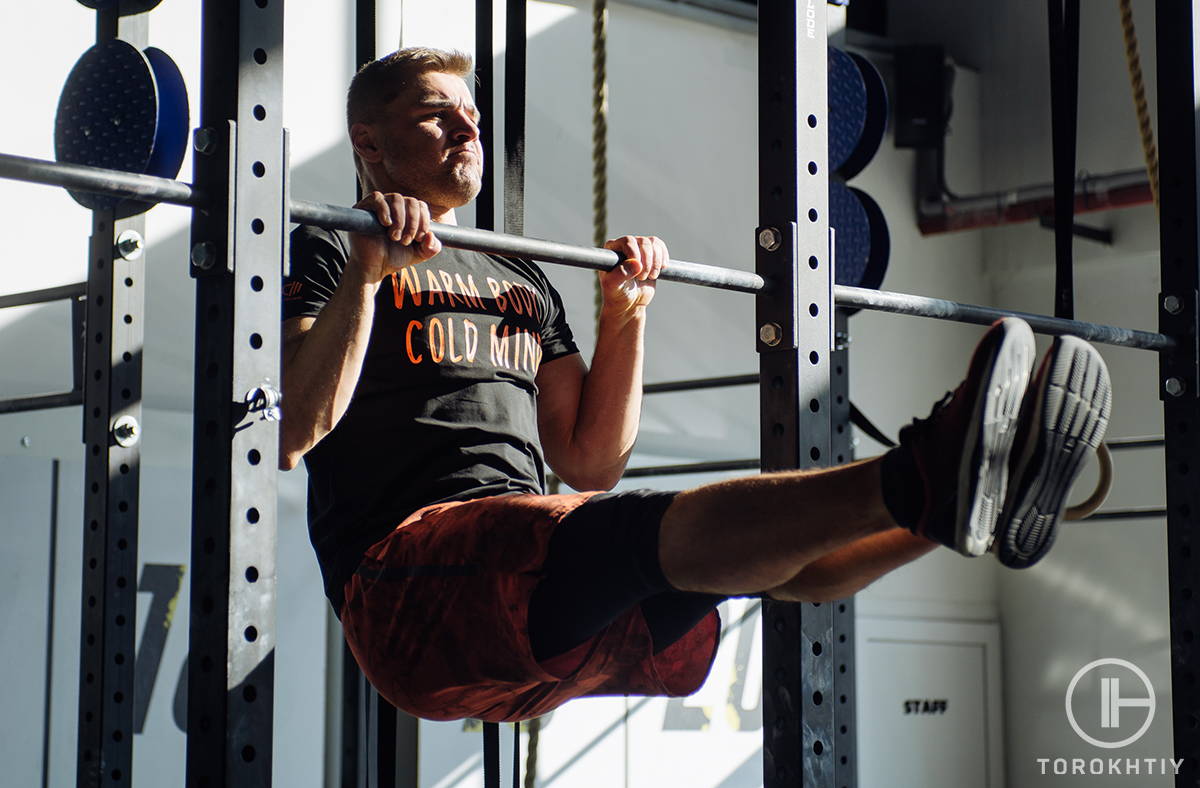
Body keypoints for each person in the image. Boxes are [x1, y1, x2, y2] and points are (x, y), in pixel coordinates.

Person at [279, 47, 1112, 723]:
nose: (467, 127)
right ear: (370, 143)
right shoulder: (330, 246)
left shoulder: (522, 274)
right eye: (437, 113)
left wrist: (626, 315)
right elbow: (294, 430)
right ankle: (926, 471)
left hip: (534, 604)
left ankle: (964, 503)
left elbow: (590, 462)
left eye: (474, 114)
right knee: (655, 532)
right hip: (408, 590)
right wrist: (364, 273)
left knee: (756, 559)